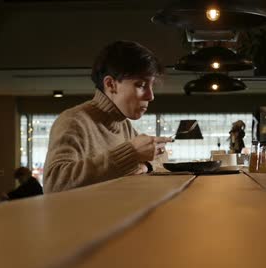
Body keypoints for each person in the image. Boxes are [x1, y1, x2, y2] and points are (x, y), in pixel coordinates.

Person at [43, 40, 172, 193]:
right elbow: (54, 184)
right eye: (141, 85)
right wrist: (130, 154)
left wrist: (146, 165)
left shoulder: (123, 124)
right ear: (111, 84)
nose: (151, 96)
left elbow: (162, 158)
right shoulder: (74, 121)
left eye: (151, 86)